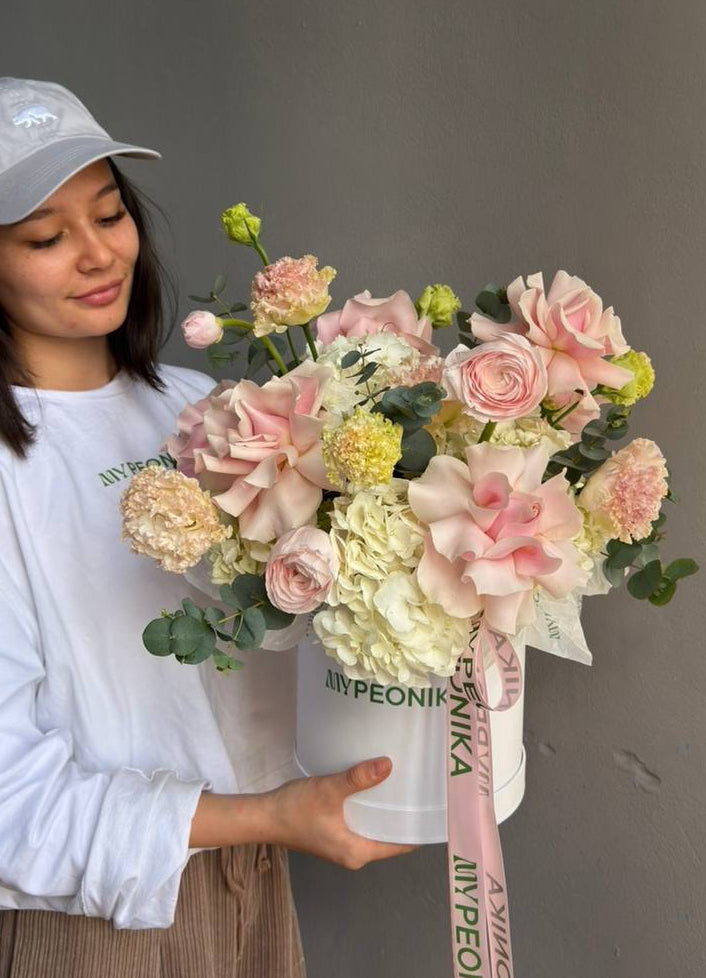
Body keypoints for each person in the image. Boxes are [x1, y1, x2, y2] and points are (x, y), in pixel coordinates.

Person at [0, 77, 416, 978]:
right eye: (43, 236)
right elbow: (8, 804)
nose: (95, 254)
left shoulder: (212, 413)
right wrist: (269, 815)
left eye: (108, 215)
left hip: (250, 876)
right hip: (93, 919)